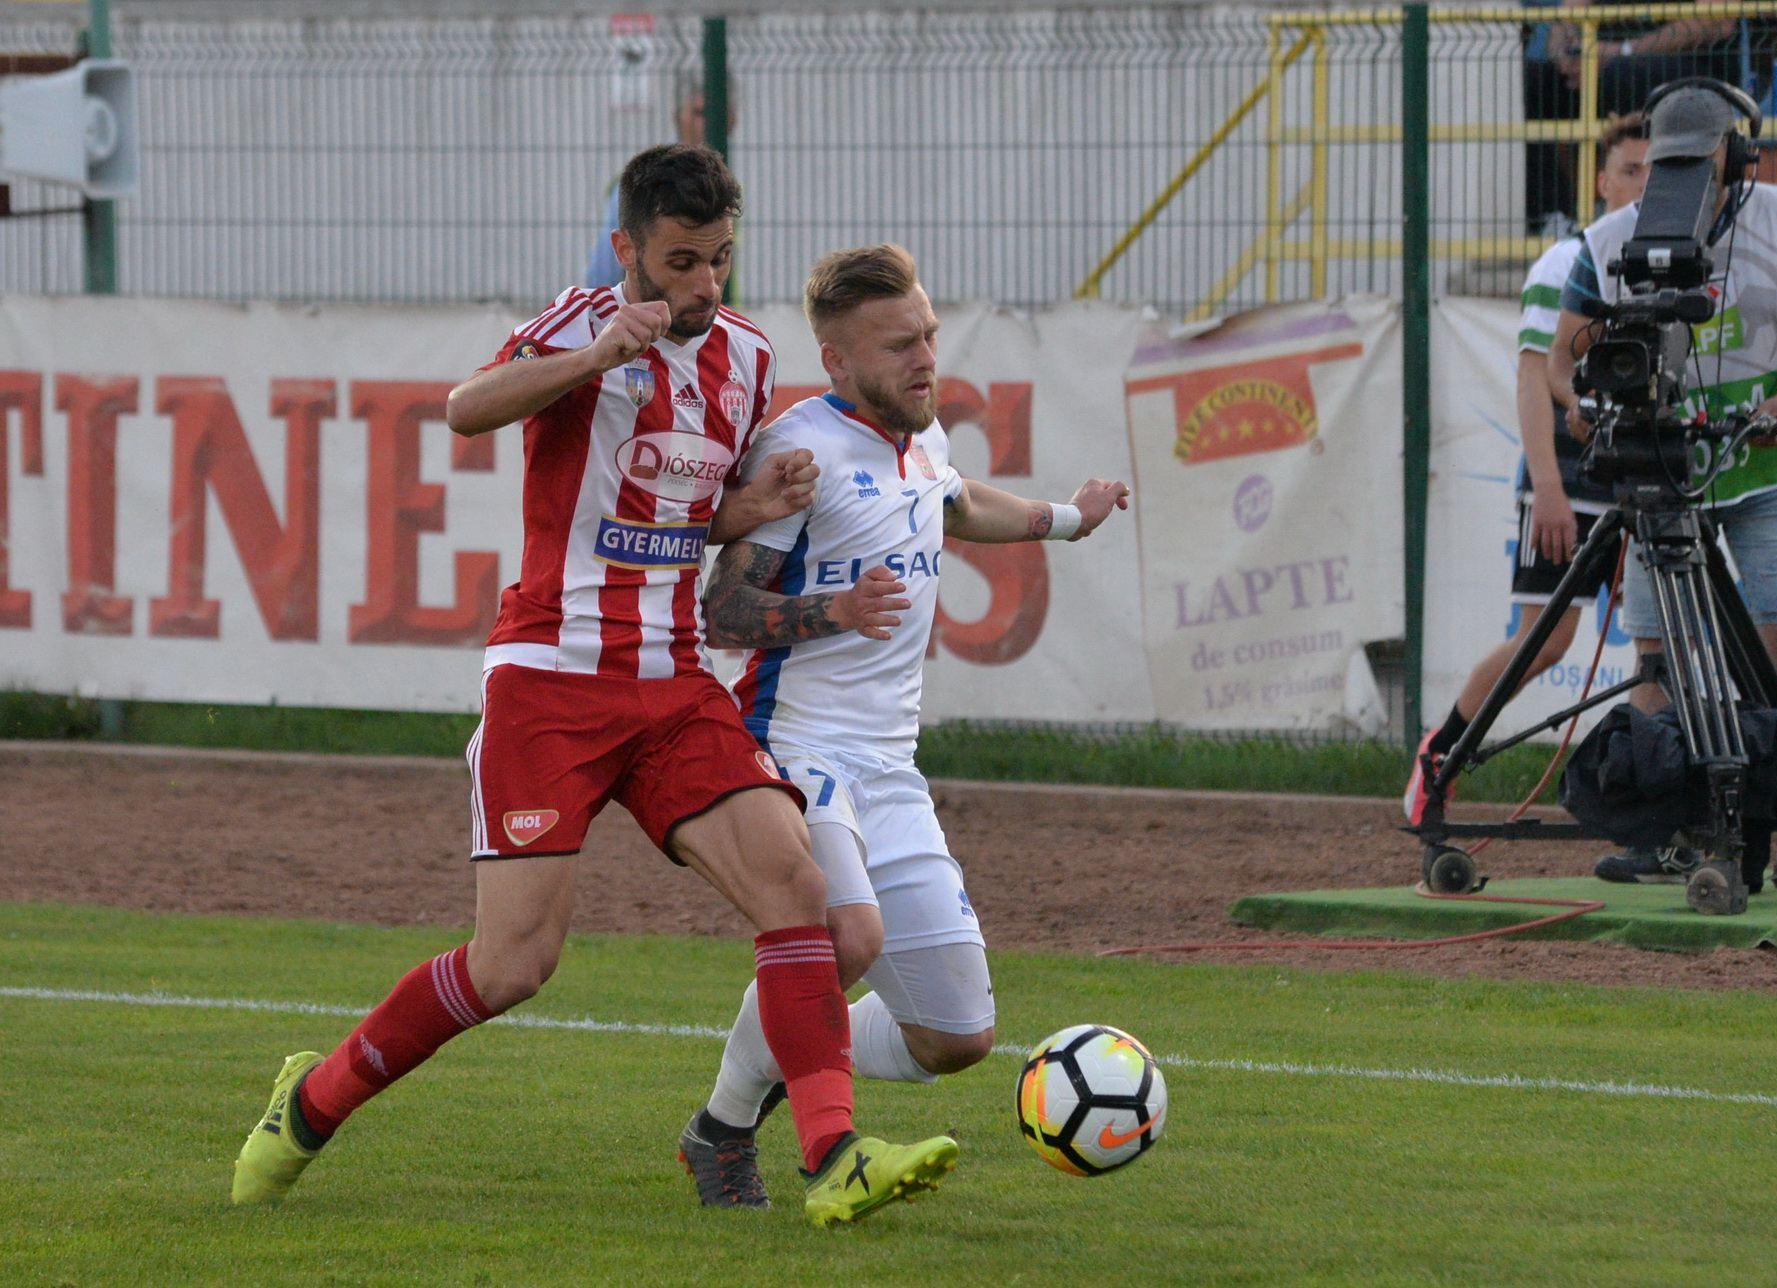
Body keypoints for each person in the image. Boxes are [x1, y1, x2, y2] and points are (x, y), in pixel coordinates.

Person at [231, 146, 959, 1228]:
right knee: (513, 964)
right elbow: (466, 408)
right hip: (551, 681)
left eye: (718, 259)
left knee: (795, 888)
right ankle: (313, 1099)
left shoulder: (746, 357)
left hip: (671, 682)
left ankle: (833, 1155)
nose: (702, 284)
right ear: (627, 249)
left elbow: (681, 514)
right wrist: (597, 353)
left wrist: (750, 508)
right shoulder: (580, 324)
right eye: (679, 262)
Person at [670, 243, 1130, 1209]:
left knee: (955, 1037)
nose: (924, 358)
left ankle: (766, 1072)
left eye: (927, 334)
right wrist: (832, 611)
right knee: (843, 936)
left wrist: (1065, 518)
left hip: (890, 764)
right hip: (795, 743)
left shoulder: (923, 439)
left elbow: (955, 505)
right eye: (898, 345)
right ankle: (727, 1127)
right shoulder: (800, 453)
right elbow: (724, 611)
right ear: (837, 361)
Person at [1548, 83, 1777, 885]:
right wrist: (1579, 405)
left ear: (1734, 155)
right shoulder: (1609, 239)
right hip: (1658, 477)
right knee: (1656, 656)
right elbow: (1560, 358)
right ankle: (1661, 828)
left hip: (1765, 474)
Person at [1404, 113, 1648, 828]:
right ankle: (1440, 755)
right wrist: (1547, 487)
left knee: (1661, 642)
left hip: (1643, 476)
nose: (1644, 186)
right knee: (1544, 641)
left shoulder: (1671, 267)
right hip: (1569, 478)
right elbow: (1534, 375)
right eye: (1630, 171)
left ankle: (1655, 800)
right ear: (1601, 182)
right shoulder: (1566, 261)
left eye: (1657, 172)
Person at [1525, 4, 1739, 234]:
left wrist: (1623, 51)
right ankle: (1553, 216)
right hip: (1599, 63)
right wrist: (1566, 56)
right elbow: (1565, 18)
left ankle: (1653, 212)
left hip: (1685, 66)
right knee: (1531, 80)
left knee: (1620, 74)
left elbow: (1720, 22)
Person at [587, 74, 734, 289]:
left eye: (718, 112)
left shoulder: (726, 183)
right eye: (699, 113)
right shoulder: (650, 182)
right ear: (678, 116)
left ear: (732, 120)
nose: (708, 123)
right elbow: (603, 271)